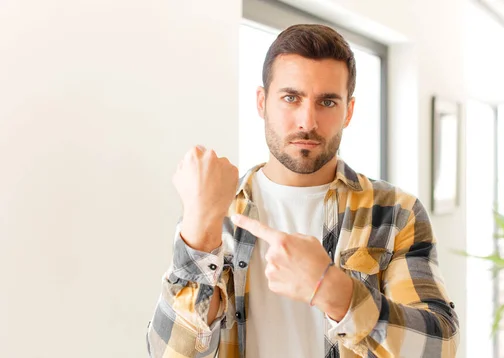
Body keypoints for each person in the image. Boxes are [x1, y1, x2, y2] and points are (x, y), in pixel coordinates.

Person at [146, 24, 459, 358]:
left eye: (326, 102)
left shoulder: (396, 212)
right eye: (291, 98)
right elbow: (170, 354)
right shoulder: (215, 207)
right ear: (262, 101)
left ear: (348, 112)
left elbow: (439, 348)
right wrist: (199, 230)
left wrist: (337, 293)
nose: (307, 121)